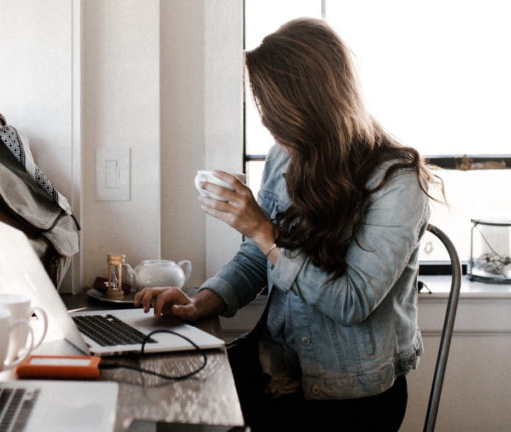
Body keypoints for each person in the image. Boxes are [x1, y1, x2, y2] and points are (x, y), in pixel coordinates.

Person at [135, 18, 443, 431]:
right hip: (275, 364)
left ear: (312, 103)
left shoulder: (398, 182)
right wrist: (198, 303)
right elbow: (256, 258)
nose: (266, 122)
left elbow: (351, 302)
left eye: (272, 109)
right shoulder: (285, 157)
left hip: (348, 395)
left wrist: (264, 230)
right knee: (158, 396)